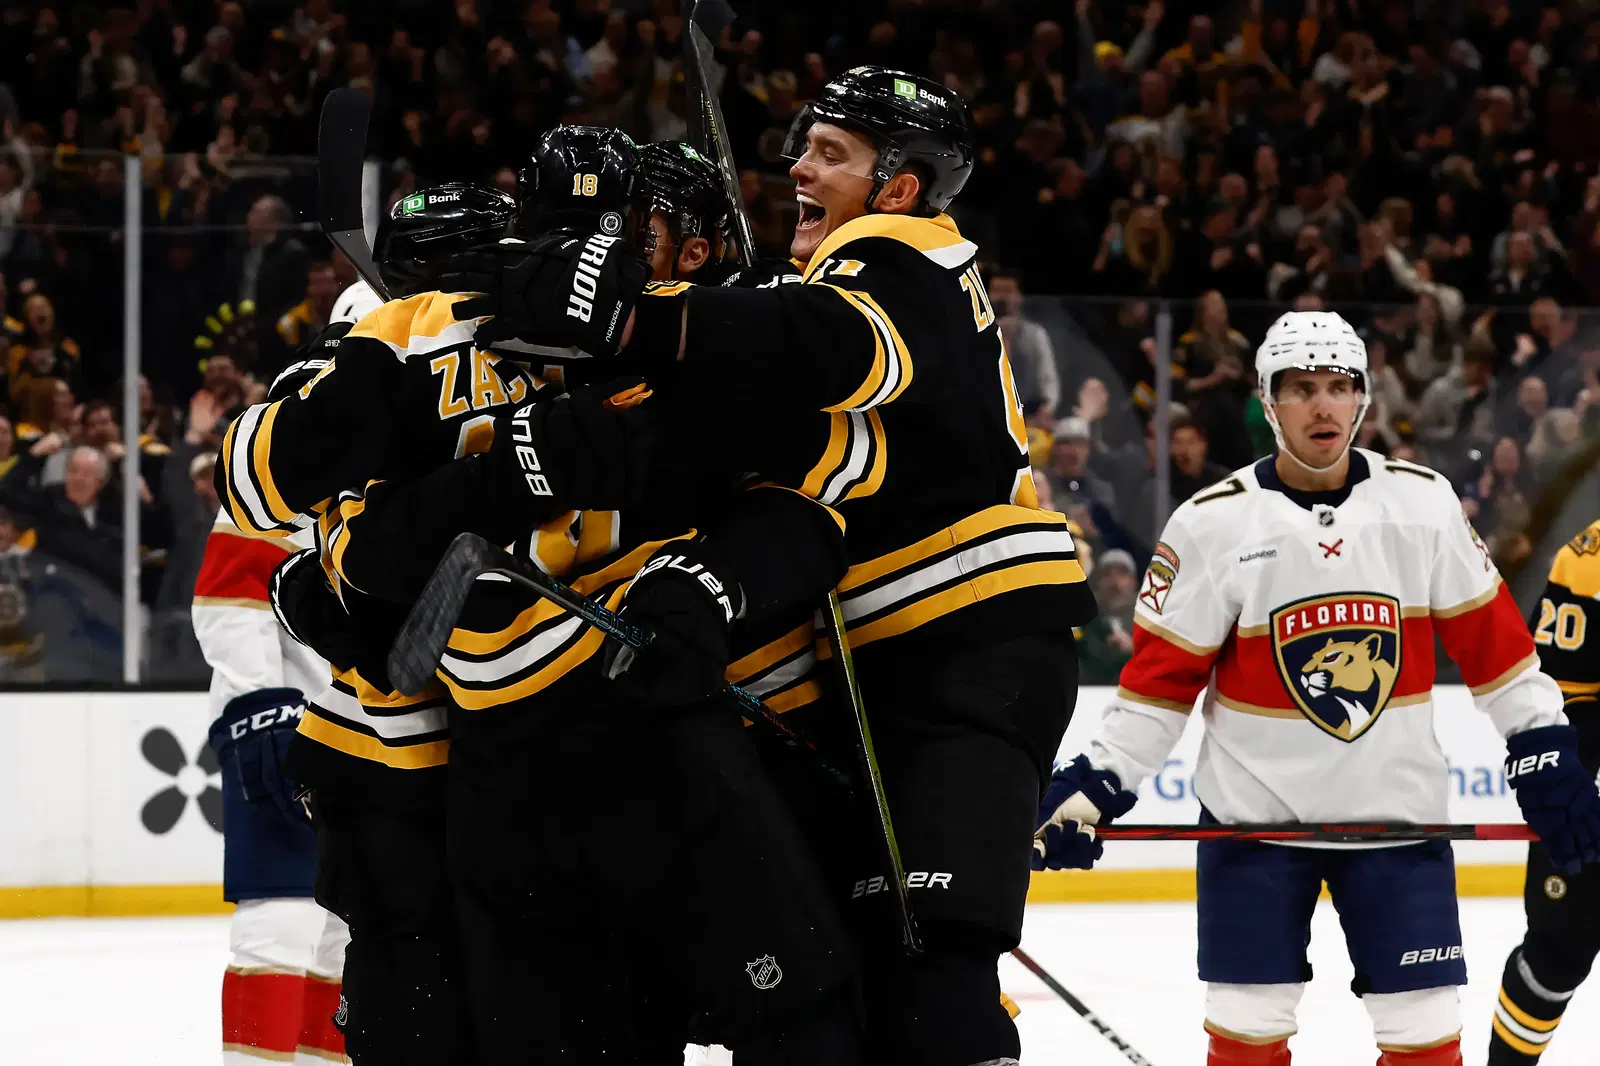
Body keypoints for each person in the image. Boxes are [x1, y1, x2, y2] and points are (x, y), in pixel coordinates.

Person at [441, 67, 1098, 1066]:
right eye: (803, 144)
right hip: (898, 660)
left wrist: (630, 315)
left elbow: (814, 344)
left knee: (931, 959)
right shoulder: (832, 283)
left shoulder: (901, 253)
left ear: (900, 186)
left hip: (971, 641)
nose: (799, 164)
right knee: (883, 955)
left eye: (831, 152)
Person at [1033, 310, 1600, 1066]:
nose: (1323, 405)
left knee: (1424, 1035)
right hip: (1252, 833)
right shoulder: (1210, 525)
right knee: (1247, 1028)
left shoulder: (1422, 505)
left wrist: (1546, 751)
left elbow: (1502, 662)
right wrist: (1094, 785)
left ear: (1364, 398)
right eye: (1301, 388)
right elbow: (1155, 694)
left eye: (1340, 386)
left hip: (1397, 827)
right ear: (1268, 403)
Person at [216, 180, 525, 1066]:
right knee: (291, 926)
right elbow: (235, 569)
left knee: (382, 950)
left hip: (426, 712)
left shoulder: (493, 341)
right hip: (322, 712)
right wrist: (256, 702)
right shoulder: (359, 353)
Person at [192, 478, 348, 1066]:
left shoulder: (398, 479)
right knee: (283, 917)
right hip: (283, 731)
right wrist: (263, 714)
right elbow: (227, 601)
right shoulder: (285, 464)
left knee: (348, 931)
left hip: (372, 737)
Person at [1487, 517, 1600, 1065]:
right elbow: (1559, 696)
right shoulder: (1588, 559)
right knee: (1555, 956)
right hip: (1594, 804)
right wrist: (1574, 782)